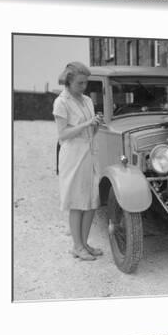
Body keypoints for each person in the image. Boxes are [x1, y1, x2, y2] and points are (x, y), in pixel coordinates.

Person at [52, 62, 104, 261]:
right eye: (80, 83)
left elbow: (91, 130)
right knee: (77, 201)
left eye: (86, 83)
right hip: (73, 155)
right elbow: (63, 134)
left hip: (89, 153)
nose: (84, 87)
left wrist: (95, 124)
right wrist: (86, 124)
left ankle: (85, 243)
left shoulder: (87, 101)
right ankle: (76, 246)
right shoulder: (61, 102)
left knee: (91, 201)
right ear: (69, 81)